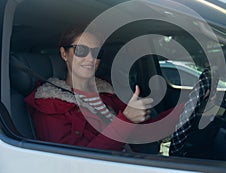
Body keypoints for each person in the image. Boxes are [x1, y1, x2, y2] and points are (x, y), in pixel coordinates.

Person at [24, 26, 174, 151]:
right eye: (81, 50)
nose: (91, 58)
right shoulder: (50, 104)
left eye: (96, 52)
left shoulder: (107, 93)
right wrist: (126, 120)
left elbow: (145, 132)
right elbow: (74, 163)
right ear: (64, 54)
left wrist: (188, 108)